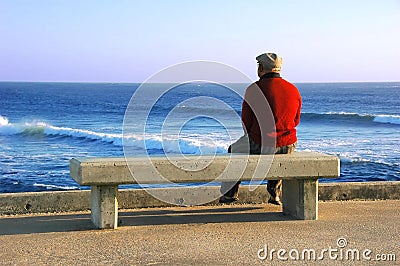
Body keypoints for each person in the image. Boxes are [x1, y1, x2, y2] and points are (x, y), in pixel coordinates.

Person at [220, 52, 302, 205]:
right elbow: (296, 120)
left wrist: (252, 138)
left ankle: (230, 193)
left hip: (261, 141)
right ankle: (275, 194)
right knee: (279, 154)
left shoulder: (254, 89)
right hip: (288, 143)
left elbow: (246, 122)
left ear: (261, 68)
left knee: (234, 150)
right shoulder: (293, 89)